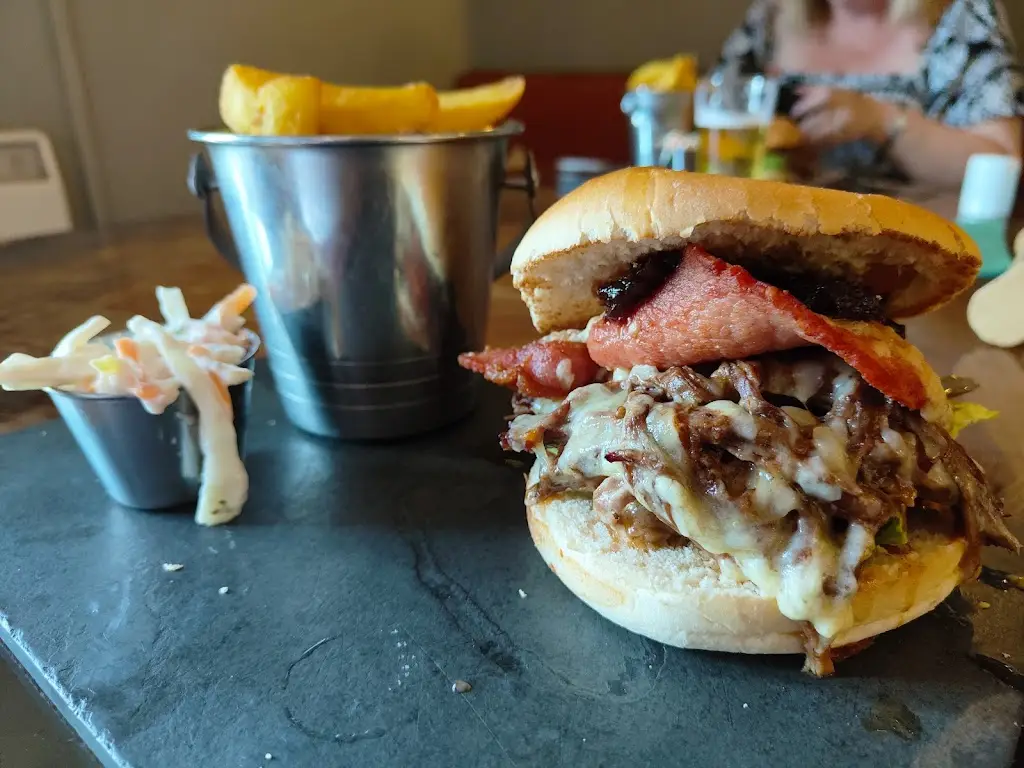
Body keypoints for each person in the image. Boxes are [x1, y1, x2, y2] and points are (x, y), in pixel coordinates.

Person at [716, 0, 1024, 188]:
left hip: (916, 238)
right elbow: (711, 107)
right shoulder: (770, 16)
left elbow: (1003, 161)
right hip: (786, 231)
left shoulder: (962, 14)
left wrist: (879, 119)